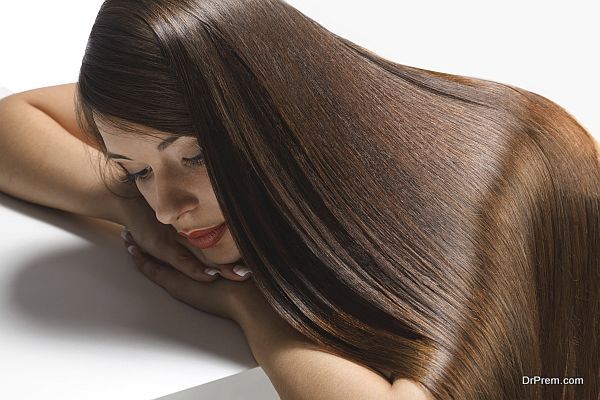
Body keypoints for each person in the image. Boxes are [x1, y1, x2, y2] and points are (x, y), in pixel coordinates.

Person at [0, 0, 598, 399]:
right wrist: (128, 209)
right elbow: (11, 121)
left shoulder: (486, 199)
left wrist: (250, 305)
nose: (168, 205)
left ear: (276, 118)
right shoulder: (297, 116)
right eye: (137, 172)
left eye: (197, 158)